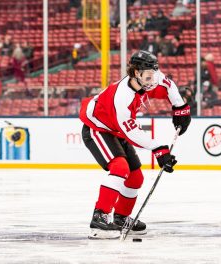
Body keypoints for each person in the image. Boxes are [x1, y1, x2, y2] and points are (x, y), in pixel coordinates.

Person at [79, 50, 191, 239]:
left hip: (116, 130)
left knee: (135, 177)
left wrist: (180, 109)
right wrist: (160, 150)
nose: (153, 80)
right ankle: (99, 218)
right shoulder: (122, 98)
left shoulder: (148, 76)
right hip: (97, 128)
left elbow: (169, 85)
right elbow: (131, 132)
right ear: (136, 73)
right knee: (120, 167)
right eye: (149, 76)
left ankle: (121, 218)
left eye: (154, 74)